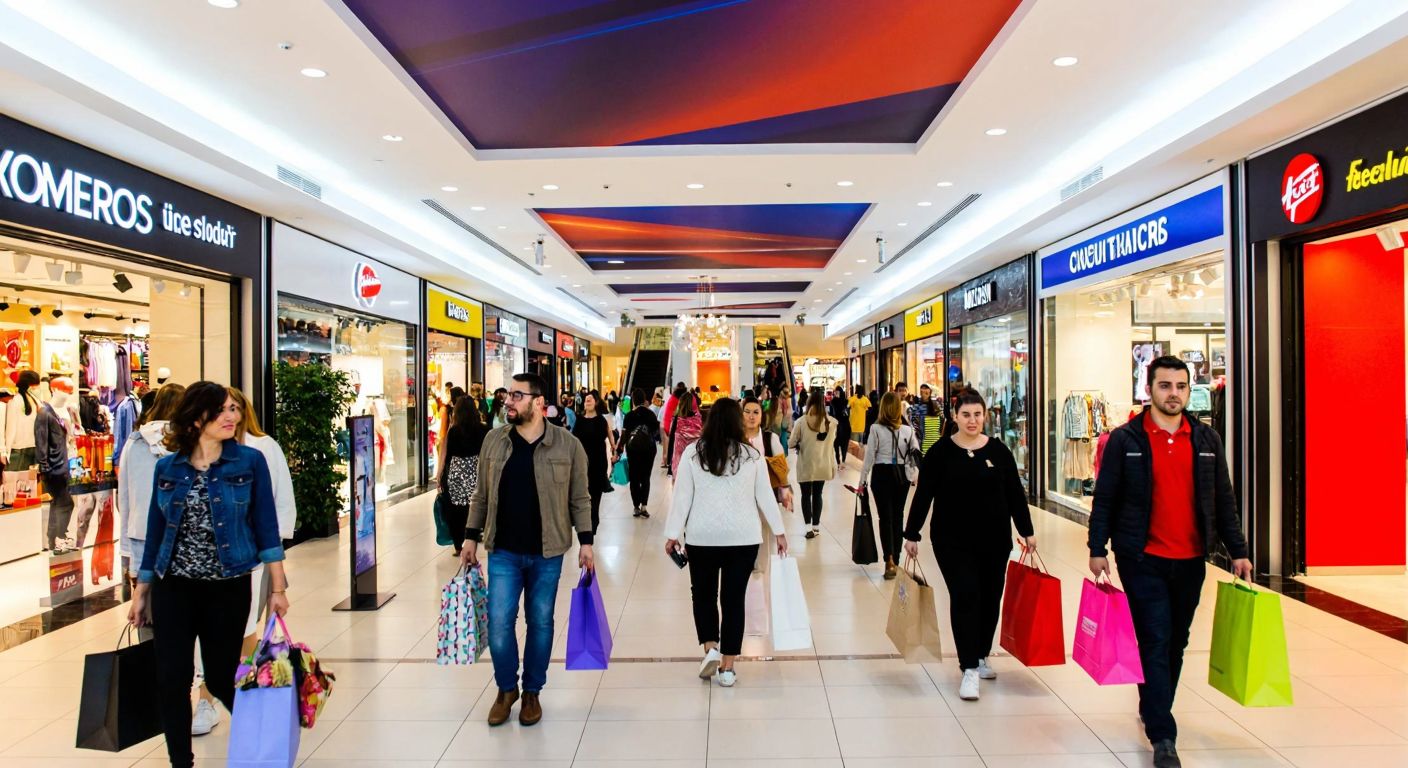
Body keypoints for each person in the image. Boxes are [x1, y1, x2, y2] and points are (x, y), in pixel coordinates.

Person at [1088, 356, 1251, 768]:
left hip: (1192, 557)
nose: (1173, 393)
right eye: (1165, 386)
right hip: (1141, 557)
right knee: (1156, 639)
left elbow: (1224, 499)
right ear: (1150, 389)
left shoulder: (1206, 439)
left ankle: (1152, 705)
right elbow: (1105, 497)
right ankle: (1163, 735)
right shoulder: (1126, 439)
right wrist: (1097, 548)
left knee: (1176, 641)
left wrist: (1239, 550)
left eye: (1181, 386)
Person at [128, 382, 288, 768]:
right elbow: (156, 531)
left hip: (228, 587)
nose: (232, 417)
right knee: (171, 678)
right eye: (223, 410)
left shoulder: (249, 462)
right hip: (173, 587)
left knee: (218, 677)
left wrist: (277, 587)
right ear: (197, 417)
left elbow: (266, 524)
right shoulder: (168, 467)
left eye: (234, 409)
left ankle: (267, 741)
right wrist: (141, 588)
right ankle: (180, 760)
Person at [461, 372, 593, 728]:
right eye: (508, 395)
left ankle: (532, 691)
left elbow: (580, 498)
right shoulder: (494, 441)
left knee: (541, 623)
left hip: (548, 552)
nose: (508, 401)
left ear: (539, 403)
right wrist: (470, 537)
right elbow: (481, 495)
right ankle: (507, 690)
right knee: (500, 624)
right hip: (502, 549)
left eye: (517, 396)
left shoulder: (567, 445)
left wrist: (587, 542)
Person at [903, 388, 1034, 702]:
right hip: (952, 541)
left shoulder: (999, 452)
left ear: (985, 415)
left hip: (994, 541)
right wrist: (911, 533)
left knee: (990, 599)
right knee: (965, 596)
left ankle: (982, 654)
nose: (972, 420)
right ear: (955, 416)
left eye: (977, 414)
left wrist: (1027, 531)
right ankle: (969, 668)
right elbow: (923, 496)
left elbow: (1015, 494)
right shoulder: (940, 453)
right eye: (966, 415)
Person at [664, 397, 787, 687]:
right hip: (743, 539)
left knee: (703, 595)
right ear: (737, 422)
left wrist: (672, 534)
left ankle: (710, 649)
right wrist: (780, 532)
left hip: (701, 538)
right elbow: (765, 498)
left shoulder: (694, 454)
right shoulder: (751, 456)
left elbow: (682, 499)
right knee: (733, 600)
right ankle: (728, 668)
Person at [118, 383, 187, 578]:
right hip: (181, 530)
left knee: (145, 599)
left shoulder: (134, 442)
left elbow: (124, 495)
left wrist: (125, 547)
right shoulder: (189, 442)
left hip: (141, 528)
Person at [858, 392, 920, 580]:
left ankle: (889, 559)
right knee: (898, 515)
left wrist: (862, 481)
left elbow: (869, 457)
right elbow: (915, 454)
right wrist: (913, 474)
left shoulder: (875, 429)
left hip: (881, 475)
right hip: (901, 477)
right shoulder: (908, 431)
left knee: (885, 518)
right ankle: (897, 559)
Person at [440, 396, 489, 556]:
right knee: (476, 505)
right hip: (476, 471)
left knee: (456, 509)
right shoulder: (483, 430)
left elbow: (448, 456)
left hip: (457, 473)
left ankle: (457, 545)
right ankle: (475, 533)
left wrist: (442, 475)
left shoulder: (454, 430)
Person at [789, 388, 837, 539]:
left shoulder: (801, 422)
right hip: (823, 463)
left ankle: (808, 528)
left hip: (806, 464)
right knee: (818, 494)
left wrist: (800, 443)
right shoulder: (832, 423)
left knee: (805, 495)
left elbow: (791, 443)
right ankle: (816, 527)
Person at [572, 390, 613, 532]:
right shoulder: (579, 420)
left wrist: (615, 452)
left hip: (598, 463)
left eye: (590, 399)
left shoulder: (601, 420)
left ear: (595, 402)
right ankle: (584, 524)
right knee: (583, 495)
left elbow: (610, 437)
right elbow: (573, 440)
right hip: (582, 463)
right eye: (585, 400)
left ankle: (593, 524)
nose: (587, 401)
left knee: (595, 496)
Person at [742, 396, 792, 512]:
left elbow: (781, 467)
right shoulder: (735, 440)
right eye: (747, 412)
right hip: (743, 497)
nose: (751, 416)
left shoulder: (770, 438)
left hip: (766, 495)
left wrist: (785, 492)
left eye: (756, 412)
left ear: (761, 416)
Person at [618, 388, 660, 518]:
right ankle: (644, 506)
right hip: (649, 449)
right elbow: (656, 433)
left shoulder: (629, 416)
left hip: (633, 449)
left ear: (633, 400)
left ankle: (636, 507)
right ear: (644, 399)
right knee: (646, 477)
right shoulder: (651, 414)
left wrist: (618, 451)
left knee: (635, 477)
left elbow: (624, 435)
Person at [669, 391, 703, 478]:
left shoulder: (676, 421)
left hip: (679, 467)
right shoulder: (699, 421)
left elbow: (671, 441)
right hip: (696, 467)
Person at [662, 382, 686, 471]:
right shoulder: (677, 401)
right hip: (671, 426)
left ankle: (669, 463)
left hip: (667, 424)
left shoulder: (673, 398)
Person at [829, 385, 851, 465]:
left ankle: (844, 458)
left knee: (844, 444)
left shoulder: (846, 401)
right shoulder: (833, 402)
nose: (836, 394)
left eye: (838, 392)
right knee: (836, 444)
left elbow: (847, 414)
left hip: (845, 425)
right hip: (836, 426)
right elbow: (831, 414)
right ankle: (838, 460)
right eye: (835, 392)